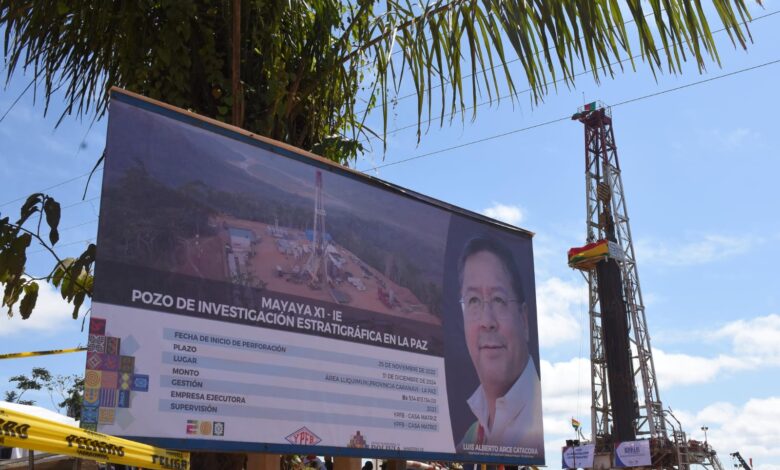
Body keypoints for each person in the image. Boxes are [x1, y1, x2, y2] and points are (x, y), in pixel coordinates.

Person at [456, 236, 543, 457]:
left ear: (524, 320)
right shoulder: (471, 437)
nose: (487, 321)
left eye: (498, 300)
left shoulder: (535, 424)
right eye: (473, 300)